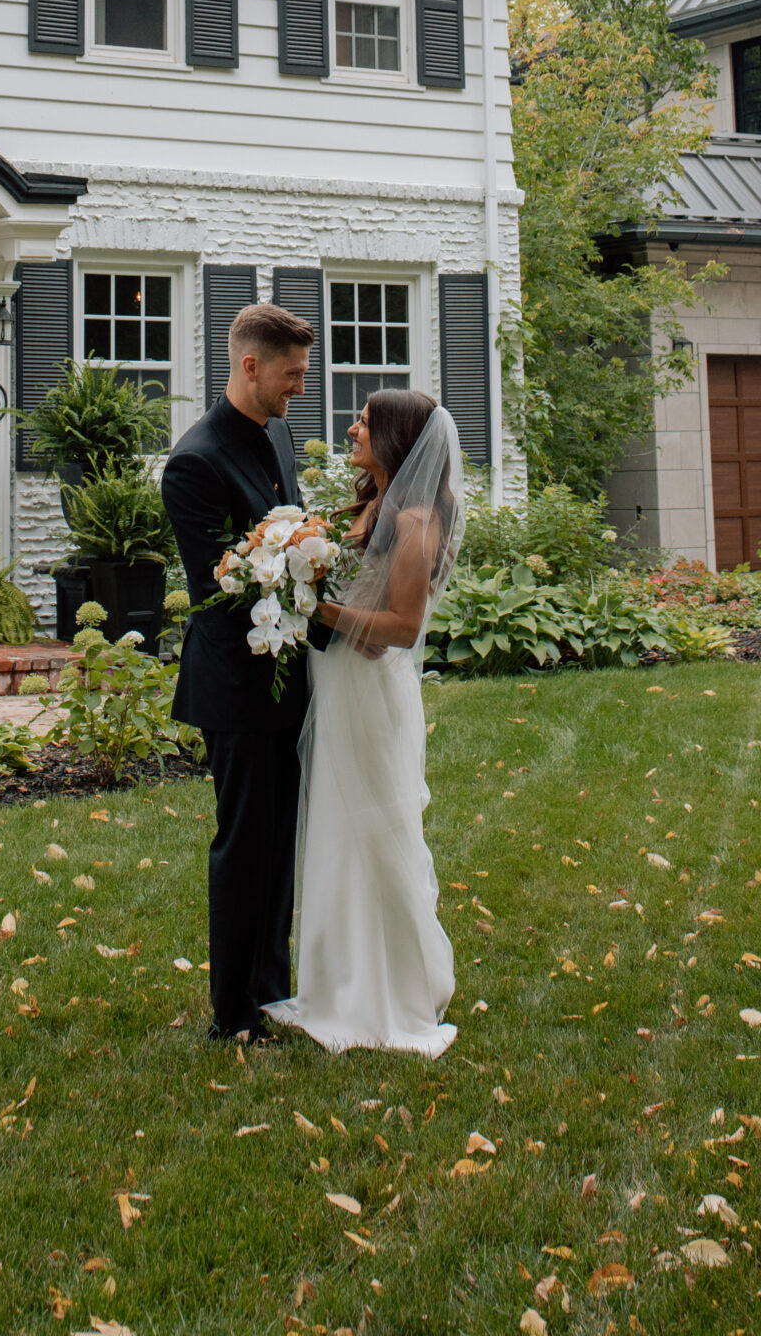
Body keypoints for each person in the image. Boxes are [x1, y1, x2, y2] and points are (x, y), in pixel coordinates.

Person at [264, 388, 466, 1056]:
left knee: (374, 835)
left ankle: (387, 995)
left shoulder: (411, 522)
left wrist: (314, 606)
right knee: (336, 832)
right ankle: (334, 984)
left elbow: (402, 628)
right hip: (342, 685)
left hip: (371, 696)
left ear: (397, 440)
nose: (351, 427)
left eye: (365, 421)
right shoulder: (373, 505)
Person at [161, 301, 315, 1040]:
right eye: (290, 376)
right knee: (243, 842)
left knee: (280, 841)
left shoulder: (278, 434)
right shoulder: (194, 462)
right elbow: (216, 586)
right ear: (248, 366)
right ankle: (233, 1013)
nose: (298, 390)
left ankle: (271, 990)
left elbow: (294, 524)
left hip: (289, 679)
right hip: (235, 685)